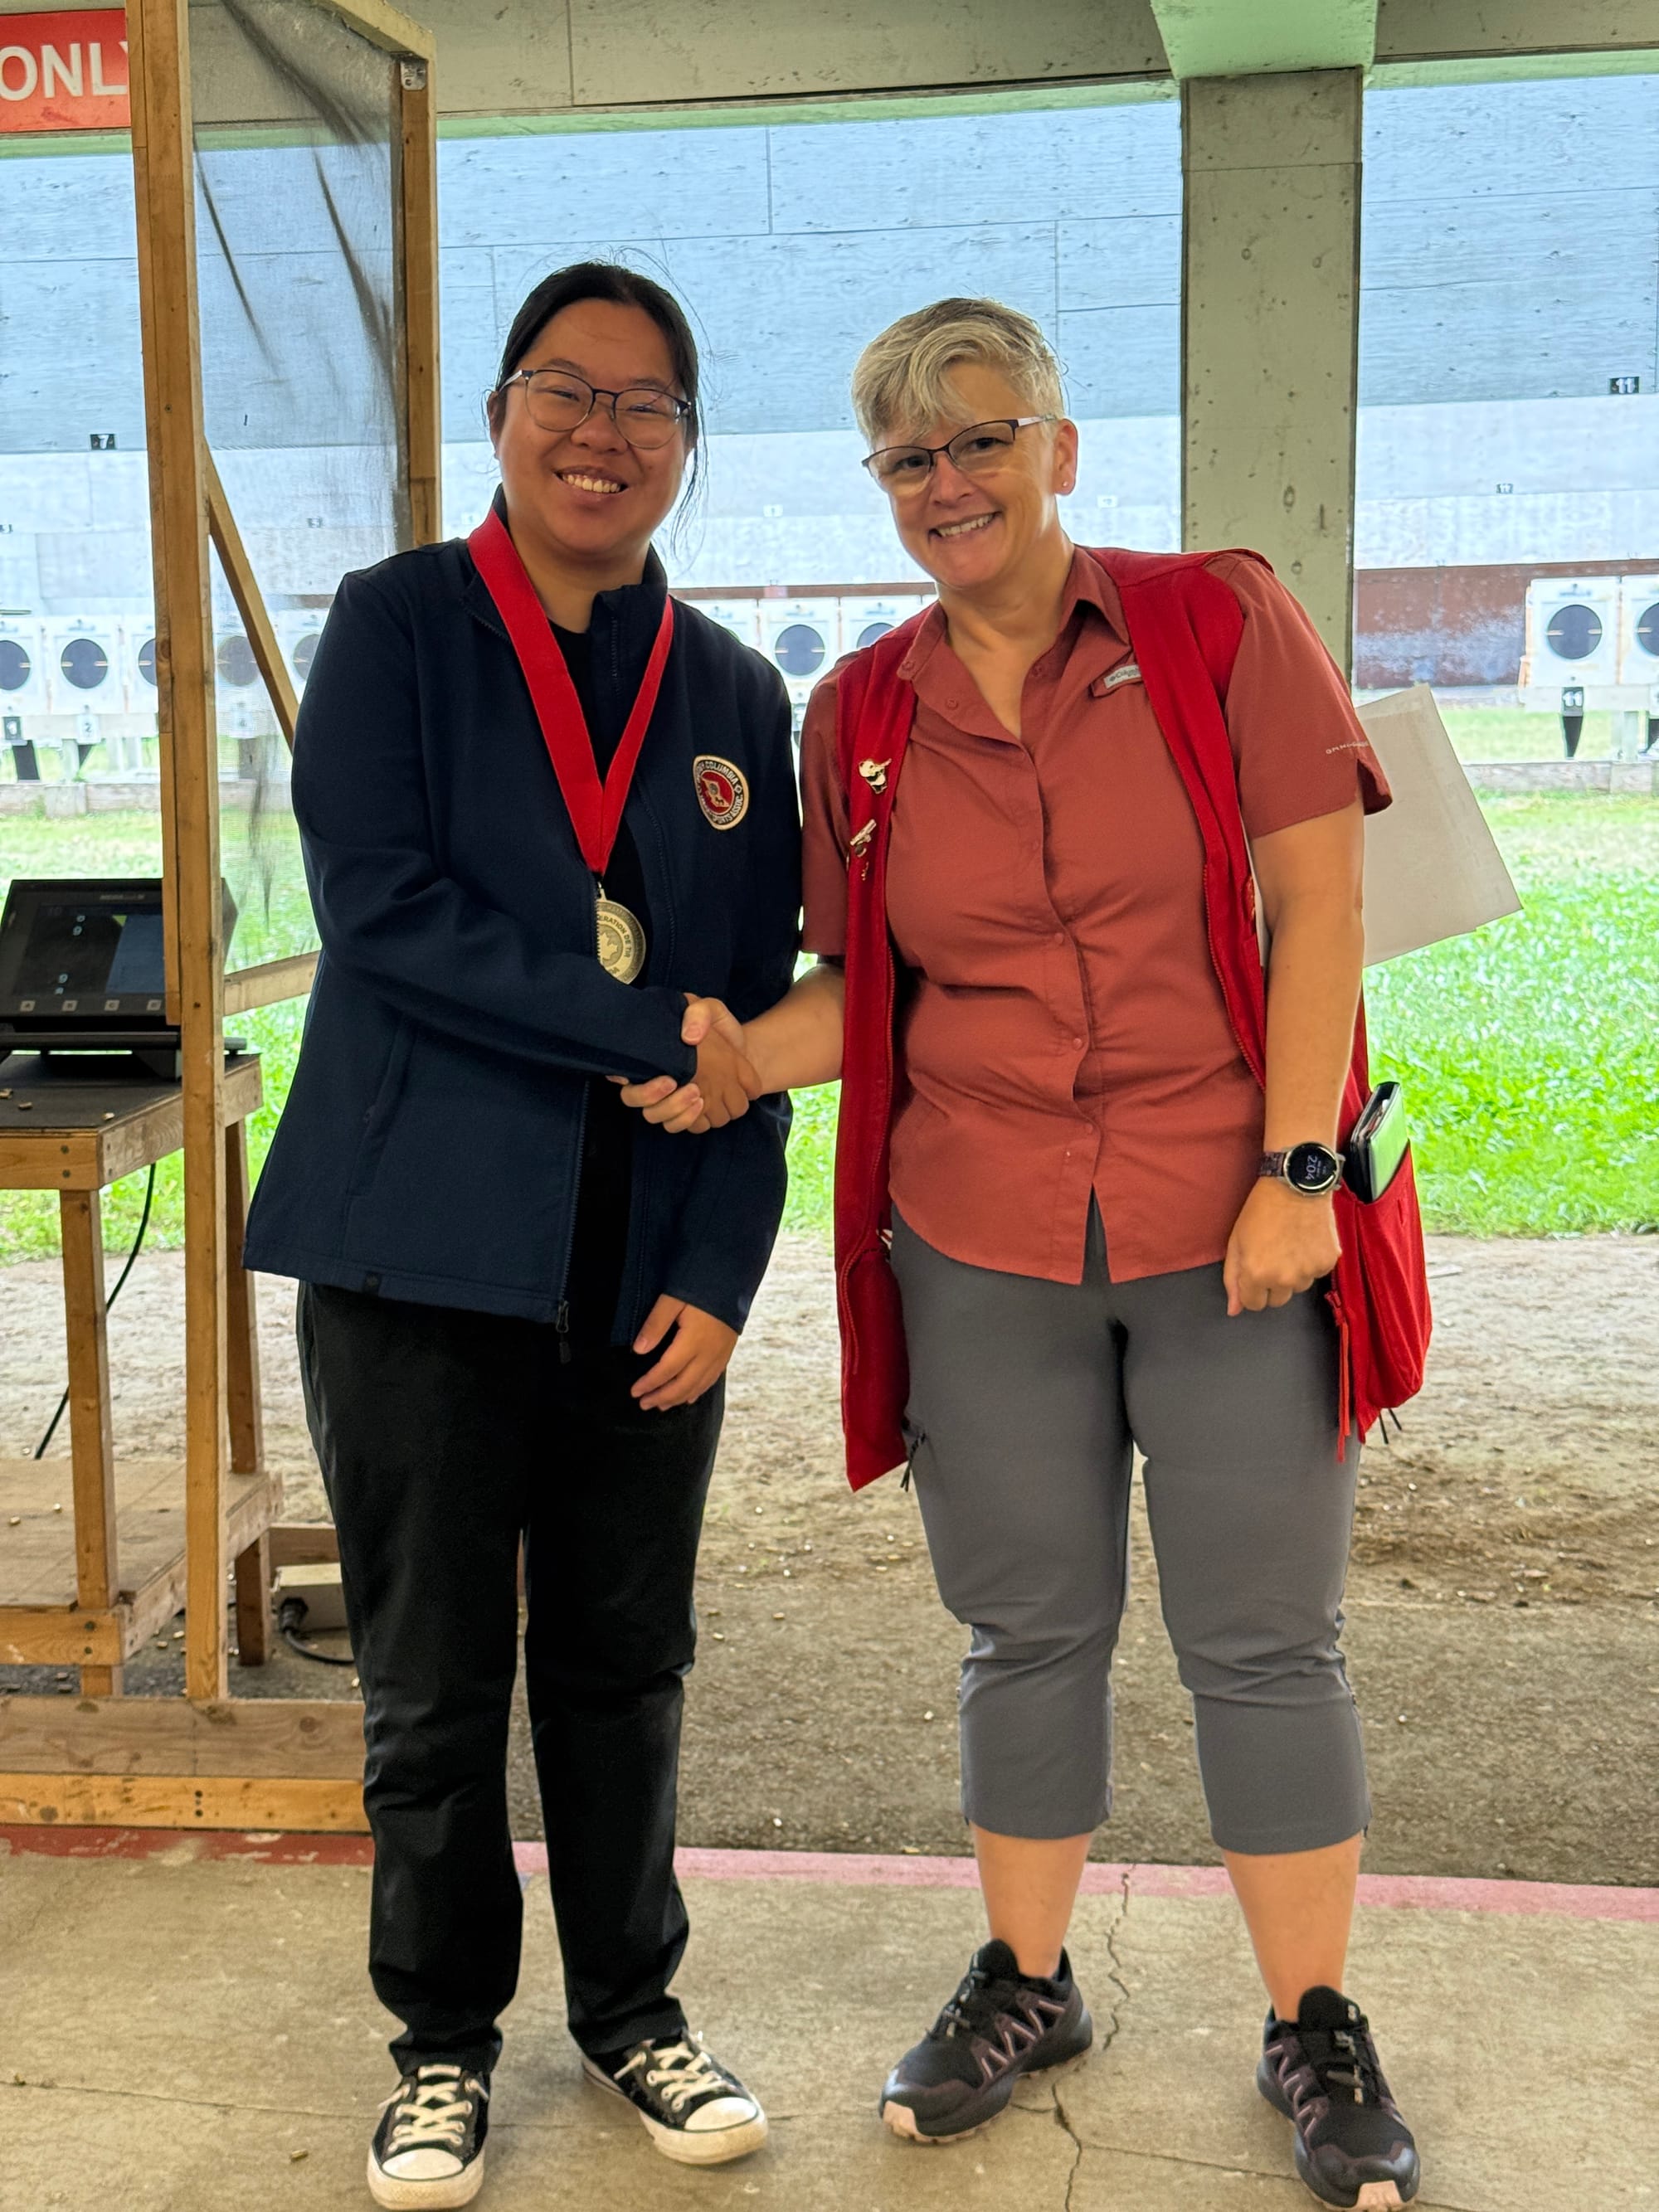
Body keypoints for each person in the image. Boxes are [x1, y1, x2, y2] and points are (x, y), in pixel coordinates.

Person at [621, 297, 1426, 2212]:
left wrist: (1299, 1167)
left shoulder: (1213, 622)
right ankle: (1031, 1977)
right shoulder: (864, 712)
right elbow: (868, 985)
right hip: (976, 1229)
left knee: (1262, 1634)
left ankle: (1311, 2018)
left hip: (1228, 1215)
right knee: (1024, 1623)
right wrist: (734, 1057)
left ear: (1061, 447)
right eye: (909, 457)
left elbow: (1318, 900)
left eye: (981, 438)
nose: (947, 482)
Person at [243, 261, 800, 2206]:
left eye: (649, 404)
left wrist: (722, 1268)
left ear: (686, 449)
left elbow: (760, 1024)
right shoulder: (399, 629)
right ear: (499, 413)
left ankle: (632, 2003)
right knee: (430, 1674)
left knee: (628, 1659)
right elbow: (387, 913)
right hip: (415, 1258)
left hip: (639, 1280)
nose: (603, 431)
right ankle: (440, 2043)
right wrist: (649, 1024)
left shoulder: (733, 695)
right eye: (567, 389)